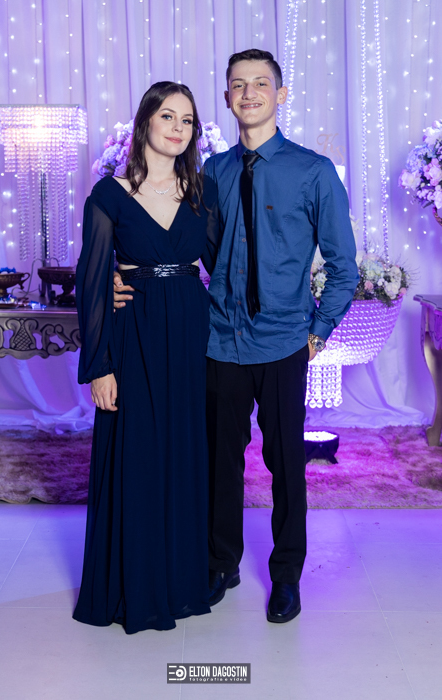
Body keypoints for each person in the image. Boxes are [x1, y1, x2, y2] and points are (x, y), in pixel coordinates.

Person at [114, 49, 359, 625]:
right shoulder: (210, 173)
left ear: (280, 94)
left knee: (286, 463)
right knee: (218, 461)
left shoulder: (314, 172)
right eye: (238, 85)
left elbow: (344, 268)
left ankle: (287, 575)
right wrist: (125, 279)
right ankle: (220, 562)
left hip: (283, 342)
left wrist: (317, 332)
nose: (249, 93)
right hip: (220, 340)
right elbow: (181, 246)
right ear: (226, 98)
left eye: (260, 83)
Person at [73, 81, 218, 635]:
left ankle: (180, 583)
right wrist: (100, 366)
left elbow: (225, 265)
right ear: (145, 123)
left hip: (191, 336)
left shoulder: (202, 193)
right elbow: (92, 281)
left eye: (187, 120)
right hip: (132, 336)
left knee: (184, 452)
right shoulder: (109, 195)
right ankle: (133, 585)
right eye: (167, 117)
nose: (178, 128)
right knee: (136, 453)